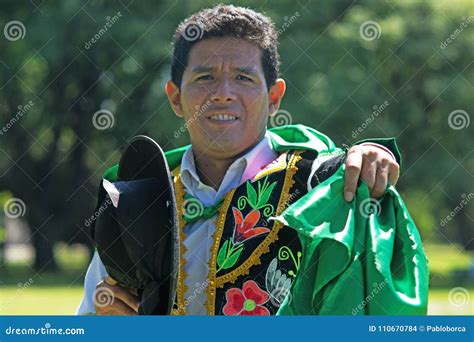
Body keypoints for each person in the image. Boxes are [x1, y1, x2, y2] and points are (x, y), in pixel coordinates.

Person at [77, 4, 427, 316]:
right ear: (175, 98)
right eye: (205, 77)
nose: (223, 93)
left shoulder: (324, 191)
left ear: (274, 98)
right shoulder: (137, 199)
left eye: (243, 78)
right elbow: (92, 315)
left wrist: (369, 166)